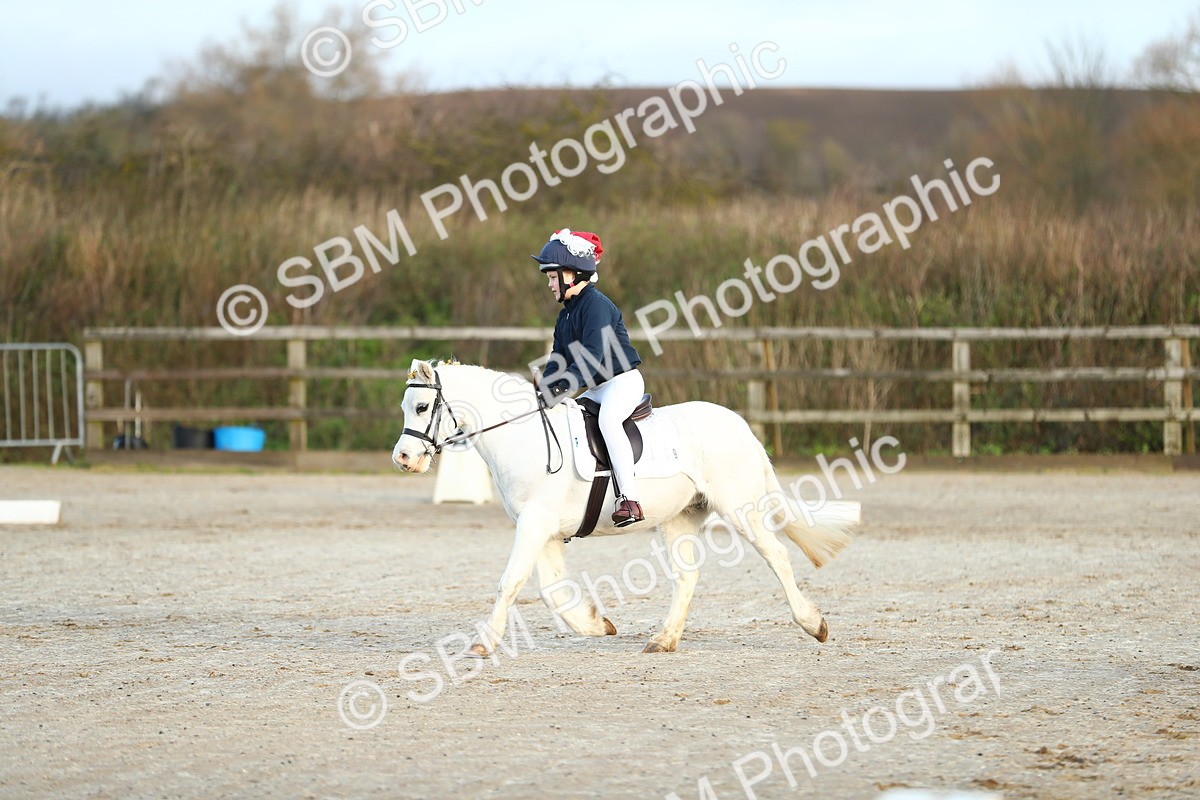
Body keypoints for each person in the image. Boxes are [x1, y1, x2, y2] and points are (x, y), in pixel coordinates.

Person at [533, 228, 646, 527]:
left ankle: (629, 500)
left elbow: (593, 357)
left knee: (609, 421)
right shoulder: (566, 314)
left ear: (572, 274)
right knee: (567, 420)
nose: (549, 283)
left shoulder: (597, 305)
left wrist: (560, 386)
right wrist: (545, 388)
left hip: (621, 382)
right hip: (596, 388)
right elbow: (559, 358)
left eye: (552, 276)